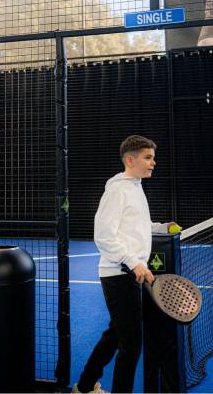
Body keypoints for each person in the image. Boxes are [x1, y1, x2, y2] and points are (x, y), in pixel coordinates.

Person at [73, 135, 180, 394]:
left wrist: (160, 227)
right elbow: (104, 235)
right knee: (130, 345)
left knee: (116, 335)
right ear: (130, 160)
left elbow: (133, 227)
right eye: (147, 157)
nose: (153, 162)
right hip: (119, 274)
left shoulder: (135, 187)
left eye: (153, 157)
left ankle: (85, 386)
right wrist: (134, 262)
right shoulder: (118, 190)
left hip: (131, 273)